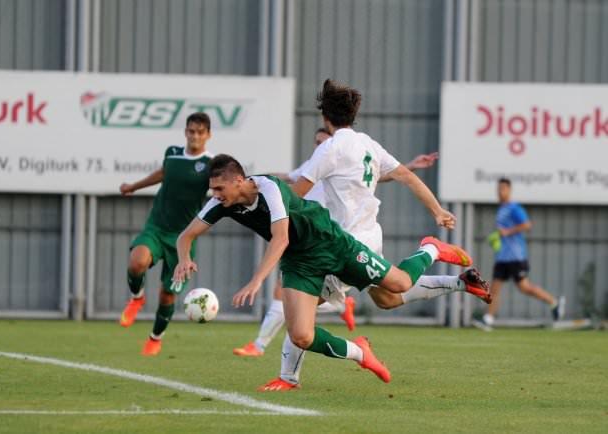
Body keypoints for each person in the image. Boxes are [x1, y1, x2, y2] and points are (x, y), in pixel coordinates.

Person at [258, 79, 491, 391]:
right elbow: (405, 176)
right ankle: (459, 282)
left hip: (345, 245)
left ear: (325, 116)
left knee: (302, 308)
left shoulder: (330, 148)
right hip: (369, 236)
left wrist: (256, 201)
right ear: (353, 115)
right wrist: (437, 210)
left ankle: (431, 250)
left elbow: (295, 195)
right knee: (387, 298)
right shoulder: (366, 143)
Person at [173, 154, 484, 387]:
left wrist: (256, 281)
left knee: (398, 285)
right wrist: (184, 258)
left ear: (239, 180)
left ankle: (430, 249)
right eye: (212, 190)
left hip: (332, 244)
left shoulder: (268, 187)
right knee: (301, 335)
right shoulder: (220, 204)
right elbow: (186, 235)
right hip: (299, 262)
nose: (215, 195)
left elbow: (280, 237)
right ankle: (360, 353)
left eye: (219, 188)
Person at [233, 127, 440, 357]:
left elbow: (375, 176)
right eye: (316, 142)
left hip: (334, 241)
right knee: (385, 297)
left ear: (333, 141)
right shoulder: (313, 164)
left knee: (392, 289)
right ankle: (337, 309)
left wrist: (410, 166)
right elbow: (287, 178)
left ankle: (264, 347)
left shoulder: (338, 158)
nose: (319, 145)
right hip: (317, 242)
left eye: (324, 141)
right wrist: (250, 181)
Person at [118, 112, 213, 356]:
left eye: (200, 132)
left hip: (184, 238)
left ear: (208, 135)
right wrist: (133, 187)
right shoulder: (172, 153)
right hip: (157, 227)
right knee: (137, 262)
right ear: (185, 132)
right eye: (191, 131)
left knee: (167, 294)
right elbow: (162, 174)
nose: (195, 136)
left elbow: (220, 191)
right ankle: (137, 298)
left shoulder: (210, 164)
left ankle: (155, 338)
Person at [472, 178, 565, 332]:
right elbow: (503, 232)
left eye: (503, 189)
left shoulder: (514, 208)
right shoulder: (501, 209)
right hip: (502, 257)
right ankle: (488, 319)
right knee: (494, 288)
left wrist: (508, 232)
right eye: (498, 189)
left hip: (516, 256)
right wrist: (496, 239)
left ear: (509, 190)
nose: (500, 192)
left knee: (524, 287)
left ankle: (554, 302)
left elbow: (527, 225)